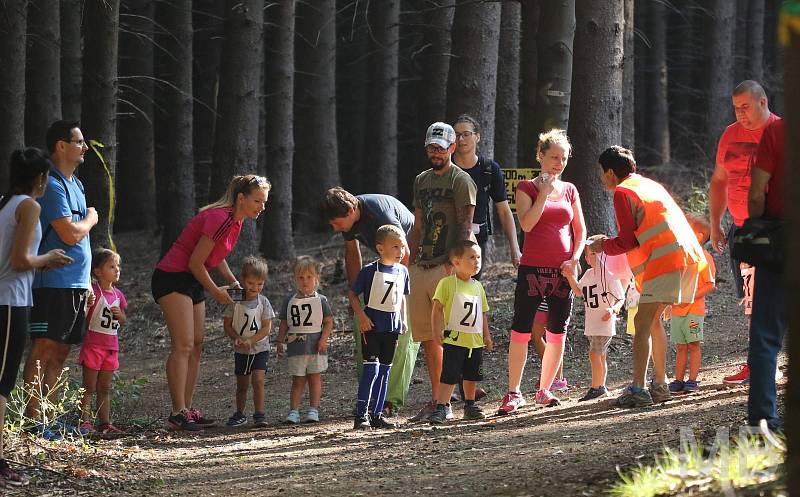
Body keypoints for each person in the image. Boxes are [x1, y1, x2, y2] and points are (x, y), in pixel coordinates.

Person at [152, 174, 270, 431]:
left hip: (192, 279)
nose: (262, 206)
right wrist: (216, 291)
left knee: (196, 345)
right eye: (257, 201)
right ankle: (176, 413)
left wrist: (230, 281)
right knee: (182, 345)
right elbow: (195, 262)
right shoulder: (220, 218)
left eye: (265, 202)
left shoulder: (236, 222)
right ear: (241, 198)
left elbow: (214, 257)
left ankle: (188, 409)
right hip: (173, 277)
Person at [590, 146, 705, 408]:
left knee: (642, 323)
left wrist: (602, 244)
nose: (601, 178)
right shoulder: (647, 184)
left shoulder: (623, 191)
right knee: (653, 323)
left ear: (610, 172)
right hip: (687, 258)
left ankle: (638, 389)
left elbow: (627, 241)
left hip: (666, 261)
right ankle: (660, 385)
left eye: (601, 172)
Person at [497, 129, 585, 414]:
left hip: (562, 270)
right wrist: (544, 194)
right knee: (521, 330)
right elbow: (527, 225)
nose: (558, 163)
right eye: (553, 157)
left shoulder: (570, 190)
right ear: (540, 156)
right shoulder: (526, 188)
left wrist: (575, 258)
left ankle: (544, 389)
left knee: (557, 330)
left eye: (563, 158)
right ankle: (513, 392)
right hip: (533, 269)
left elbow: (580, 230)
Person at [0, 148, 73, 484]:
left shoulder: (5, 202)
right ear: (41, 178)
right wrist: (48, 258)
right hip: (11, 303)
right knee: (3, 384)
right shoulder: (29, 205)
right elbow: (19, 260)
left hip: (8, 301)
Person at [23, 120, 98, 438]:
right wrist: (92, 218)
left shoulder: (76, 184)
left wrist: (88, 282)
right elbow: (69, 233)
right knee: (43, 348)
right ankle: (32, 422)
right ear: (60, 145)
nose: (84, 147)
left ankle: (48, 419)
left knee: (62, 351)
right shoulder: (51, 185)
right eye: (79, 141)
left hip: (75, 283)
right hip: (52, 282)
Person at [322, 187, 419, 416]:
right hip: (389, 269)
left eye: (336, 223)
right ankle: (371, 397)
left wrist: (397, 292)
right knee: (367, 328)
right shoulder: (350, 221)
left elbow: (403, 252)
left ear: (351, 210)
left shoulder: (379, 216)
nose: (335, 228)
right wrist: (356, 291)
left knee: (402, 334)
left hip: (415, 258)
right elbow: (352, 253)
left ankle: (390, 400)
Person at [708, 80, 779, 385]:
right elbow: (720, 181)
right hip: (742, 229)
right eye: (736, 107)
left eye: (745, 107)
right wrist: (715, 225)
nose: (740, 113)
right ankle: (758, 364)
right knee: (752, 301)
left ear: (763, 102)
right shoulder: (730, 135)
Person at [407, 122, 477, 422]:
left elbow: (465, 224)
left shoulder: (460, 181)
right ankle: (438, 400)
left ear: (452, 147)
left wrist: (453, 263)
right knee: (428, 337)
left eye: (441, 147)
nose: (436, 152)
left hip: (445, 267)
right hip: (421, 264)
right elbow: (418, 223)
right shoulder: (421, 180)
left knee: (449, 337)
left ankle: (453, 400)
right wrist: (408, 259)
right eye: (431, 147)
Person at [349, 225, 410, 430]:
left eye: (402, 247)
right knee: (371, 370)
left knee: (385, 371)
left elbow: (401, 297)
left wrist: (403, 319)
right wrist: (362, 316)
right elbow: (353, 295)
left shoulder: (403, 271)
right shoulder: (369, 271)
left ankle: (377, 414)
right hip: (372, 327)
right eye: (395, 247)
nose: (400, 252)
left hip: (391, 328)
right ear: (380, 248)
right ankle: (361, 415)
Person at [746, 117, 785, 431]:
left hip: (782, 243)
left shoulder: (777, 131)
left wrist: (755, 225)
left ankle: (763, 418)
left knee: (766, 336)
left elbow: (757, 193)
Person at [428, 240, 492, 424]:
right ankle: (442, 406)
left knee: (472, 375)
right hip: (455, 340)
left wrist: (486, 336)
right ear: (456, 262)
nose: (477, 261)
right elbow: (437, 308)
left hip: (475, 341)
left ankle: (470, 405)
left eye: (478, 257)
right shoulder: (447, 284)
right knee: (449, 375)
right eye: (471, 257)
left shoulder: (478, 286)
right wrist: (436, 330)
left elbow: (483, 313)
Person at [451, 114, 521, 272]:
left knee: (470, 292)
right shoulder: (446, 167)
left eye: (466, 134)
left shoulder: (489, 169)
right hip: (447, 241)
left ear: (477, 137)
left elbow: (503, 210)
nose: (461, 139)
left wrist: (514, 247)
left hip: (476, 244)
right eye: (456, 135)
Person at [562, 236, 626, 402]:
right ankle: (601, 386)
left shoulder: (609, 275)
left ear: (599, 255)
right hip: (592, 323)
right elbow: (578, 291)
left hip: (604, 324)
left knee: (594, 354)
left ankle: (596, 387)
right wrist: (570, 276)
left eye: (589, 254)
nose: (586, 258)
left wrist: (613, 309)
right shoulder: (589, 274)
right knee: (600, 355)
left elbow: (620, 298)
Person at [275, 256, 333, 424]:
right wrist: (280, 341)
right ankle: (294, 411)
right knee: (298, 380)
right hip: (296, 347)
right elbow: (284, 323)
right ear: (295, 279)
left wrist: (324, 339)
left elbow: (328, 321)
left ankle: (313, 410)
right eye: (300, 277)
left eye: (309, 277)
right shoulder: (289, 300)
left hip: (316, 347)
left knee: (315, 378)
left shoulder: (321, 300)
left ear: (316, 279)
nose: (305, 281)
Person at [78, 249, 128, 434]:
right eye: (111, 266)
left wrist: (120, 315)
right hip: (93, 345)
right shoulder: (94, 291)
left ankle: (105, 422)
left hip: (111, 347)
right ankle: (85, 422)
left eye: (118, 267)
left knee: (105, 387)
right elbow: (84, 314)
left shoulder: (118, 295)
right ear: (98, 271)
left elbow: (123, 320)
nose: (117, 270)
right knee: (89, 386)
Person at [223, 256, 274, 428]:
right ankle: (240, 413)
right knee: (242, 385)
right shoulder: (236, 298)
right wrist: (236, 338)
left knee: (258, 381)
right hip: (241, 351)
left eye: (260, 284)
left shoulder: (264, 302)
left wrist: (252, 340)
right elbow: (227, 324)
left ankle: (259, 414)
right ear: (243, 281)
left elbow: (266, 328)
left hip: (260, 348)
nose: (255, 288)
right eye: (251, 283)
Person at [668, 216, 716, 395]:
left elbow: (709, 284)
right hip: (676, 310)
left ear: (699, 236)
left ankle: (692, 380)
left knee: (693, 344)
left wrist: (690, 297)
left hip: (693, 310)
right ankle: (678, 380)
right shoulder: (677, 256)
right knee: (680, 346)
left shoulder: (704, 257)